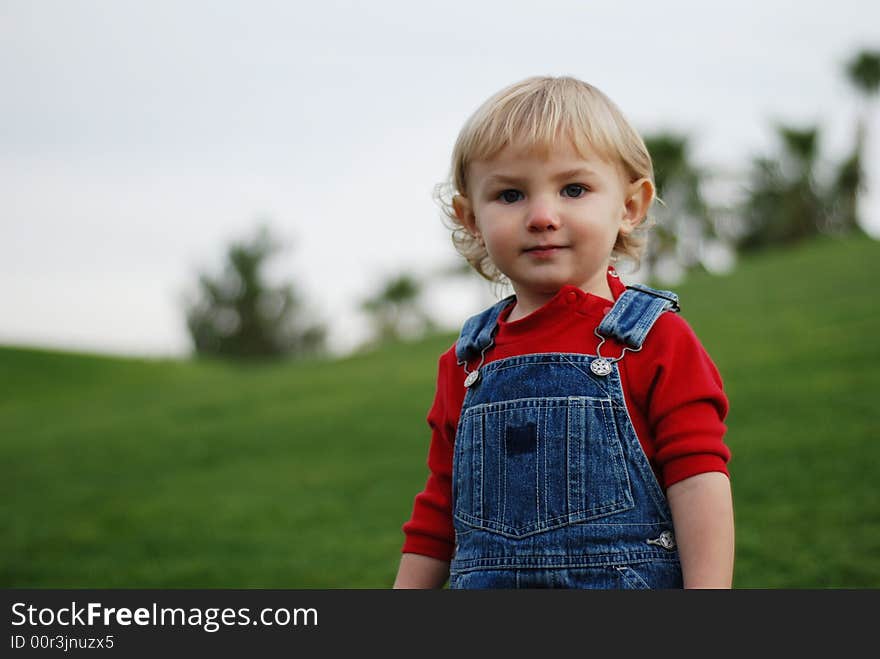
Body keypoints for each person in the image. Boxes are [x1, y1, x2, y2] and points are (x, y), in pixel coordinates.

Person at [393, 76, 734, 589]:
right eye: (510, 194)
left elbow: (697, 477)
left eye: (574, 189)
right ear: (470, 218)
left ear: (630, 206)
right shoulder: (466, 363)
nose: (543, 217)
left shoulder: (655, 339)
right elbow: (439, 508)